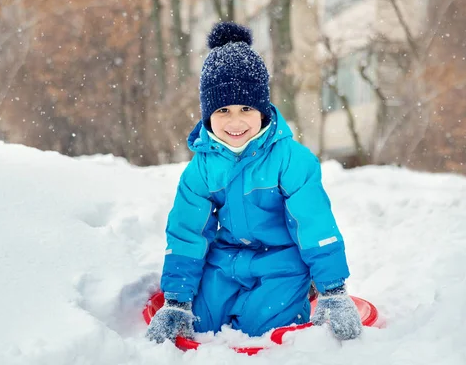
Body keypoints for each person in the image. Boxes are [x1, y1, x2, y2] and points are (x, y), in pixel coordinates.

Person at [146, 22, 362, 344]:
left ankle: (301, 296)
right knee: (203, 324)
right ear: (208, 115)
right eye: (223, 110)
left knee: (264, 329)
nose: (235, 122)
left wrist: (333, 289)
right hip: (226, 259)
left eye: (246, 108)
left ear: (262, 110)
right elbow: (187, 231)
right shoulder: (202, 169)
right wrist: (177, 300)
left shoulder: (290, 159)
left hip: (282, 260)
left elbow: (315, 224)